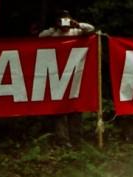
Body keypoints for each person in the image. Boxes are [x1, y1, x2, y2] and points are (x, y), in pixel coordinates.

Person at [39, 11, 95, 145]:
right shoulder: (54, 33)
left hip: (75, 75)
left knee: (75, 107)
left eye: (67, 20)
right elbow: (40, 36)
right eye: (62, 20)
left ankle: (77, 139)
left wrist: (77, 24)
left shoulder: (76, 32)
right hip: (57, 75)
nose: (65, 24)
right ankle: (62, 140)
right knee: (59, 109)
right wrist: (55, 27)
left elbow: (91, 30)